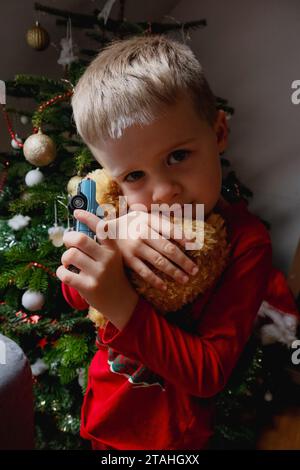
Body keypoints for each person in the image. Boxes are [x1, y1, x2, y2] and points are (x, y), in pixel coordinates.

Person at [56, 34, 298, 450]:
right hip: (103, 418)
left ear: (218, 132)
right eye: (134, 176)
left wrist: (121, 304)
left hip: (173, 437)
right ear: (113, 177)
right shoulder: (115, 216)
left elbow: (208, 374)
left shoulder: (246, 242)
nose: (164, 191)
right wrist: (113, 241)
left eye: (178, 156)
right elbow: (74, 292)